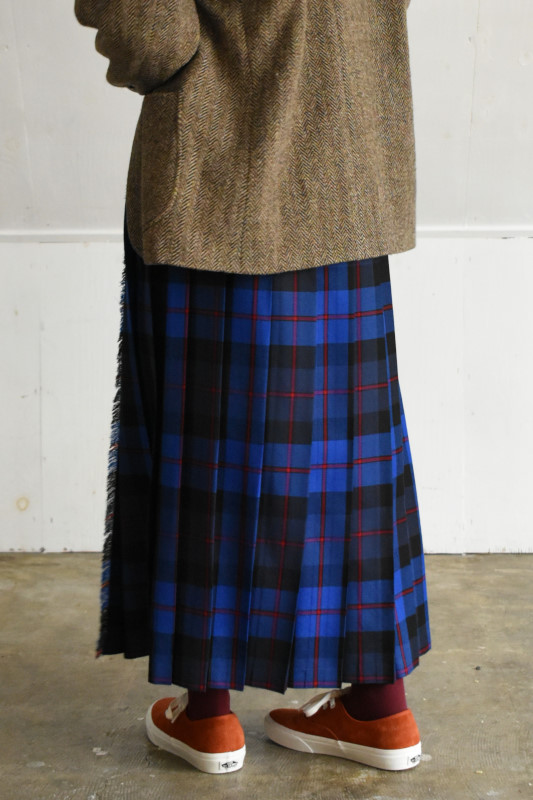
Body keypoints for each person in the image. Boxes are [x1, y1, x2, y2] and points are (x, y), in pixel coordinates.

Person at [75, 0, 430, 775]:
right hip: (350, 160)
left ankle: (207, 716)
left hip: (224, 161)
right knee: (347, 456)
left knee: (212, 444)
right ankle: (379, 708)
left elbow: (147, 32)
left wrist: (185, 59)